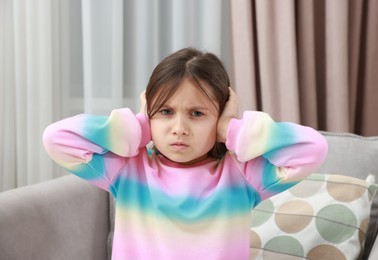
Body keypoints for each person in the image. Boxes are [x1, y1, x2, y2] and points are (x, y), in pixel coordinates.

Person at [42, 47, 328, 260]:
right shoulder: (127, 170)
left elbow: (312, 148)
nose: (179, 128)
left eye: (197, 113)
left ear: (219, 117)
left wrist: (231, 130)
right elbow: (57, 138)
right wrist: (139, 127)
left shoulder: (242, 176)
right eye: (165, 111)